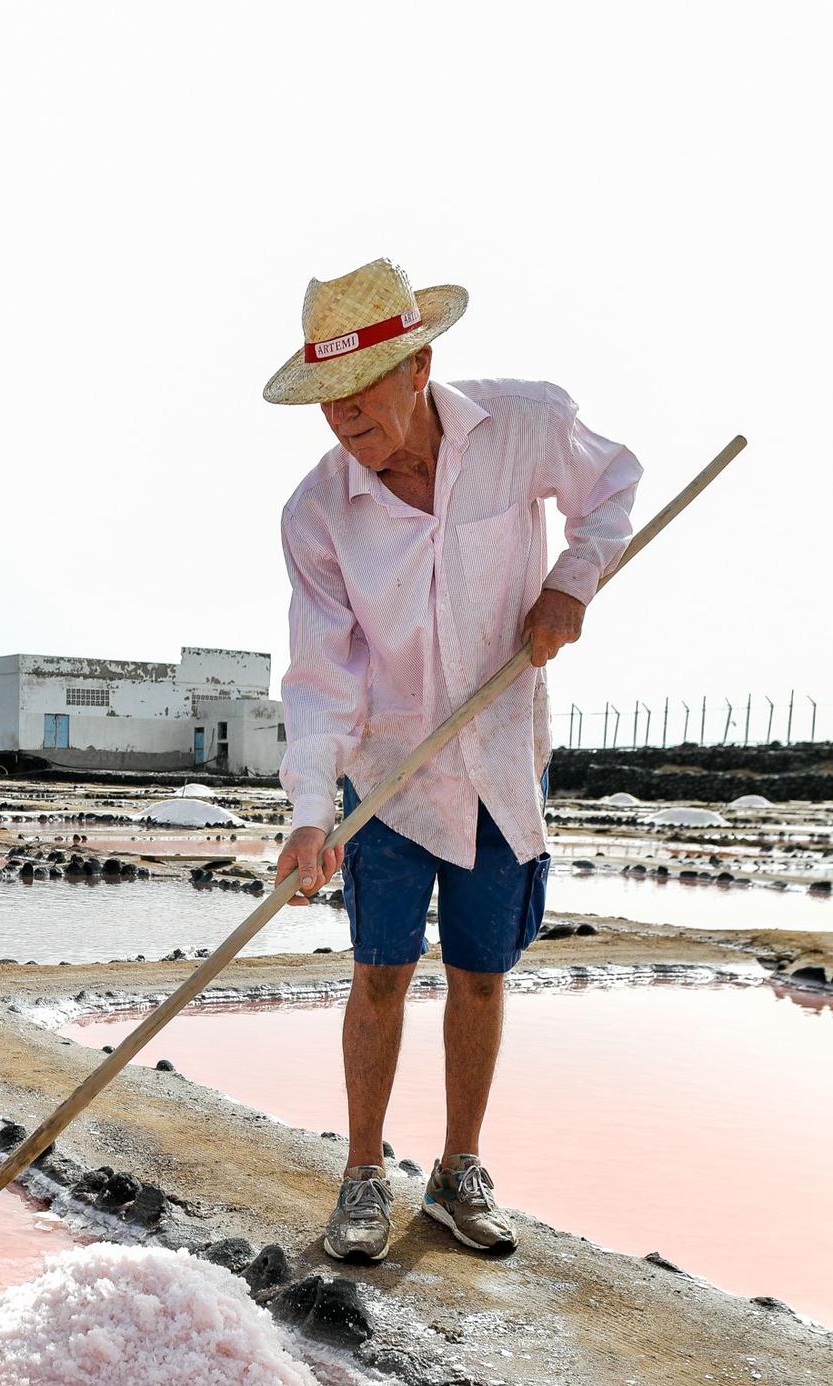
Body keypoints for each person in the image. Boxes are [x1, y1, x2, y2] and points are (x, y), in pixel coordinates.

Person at [266, 256, 640, 1262]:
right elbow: (320, 676)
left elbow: (611, 485)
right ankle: (358, 1177)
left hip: (501, 758)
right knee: (378, 971)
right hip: (386, 776)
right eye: (325, 399)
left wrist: (571, 578)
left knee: (479, 973)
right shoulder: (316, 514)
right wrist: (309, 810)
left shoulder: (520, 425)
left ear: (418, 363)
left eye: (359, 391)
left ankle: (455, 1172)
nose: (344, 419)